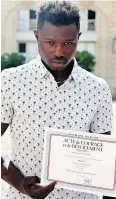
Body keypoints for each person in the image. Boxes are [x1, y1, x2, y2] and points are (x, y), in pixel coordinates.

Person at [1, 1, 114, 199]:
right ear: (36, 36)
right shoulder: (10, 82)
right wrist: (19, 182)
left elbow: (103, 161)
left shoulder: (98, 88)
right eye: (50, 42)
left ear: (78, 38)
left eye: (68, 43)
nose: (59, 52)